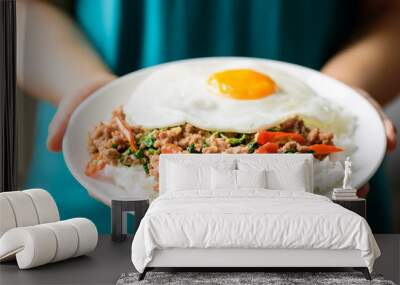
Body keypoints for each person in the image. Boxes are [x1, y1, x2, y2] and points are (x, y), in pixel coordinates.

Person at [16, 0, 398, 233]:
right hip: (95, 218)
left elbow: (389, 12)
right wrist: (88, 87)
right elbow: (25, 7)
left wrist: (343, 89)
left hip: (325, 216)